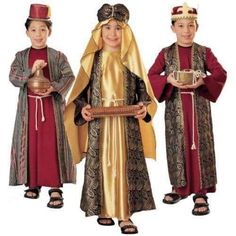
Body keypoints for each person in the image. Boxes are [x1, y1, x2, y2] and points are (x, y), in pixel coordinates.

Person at [64, 3, 157, 234]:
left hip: (126, 123)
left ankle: (125, 215)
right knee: (103, 164)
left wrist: (143, 108)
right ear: (99, 31)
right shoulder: (92, 60)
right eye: (108, 28)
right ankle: (104, 208)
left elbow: (144, 91)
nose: (113, 33)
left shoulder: (131, 59)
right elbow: (80, 92)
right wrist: (84, 108)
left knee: (124, 165)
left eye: (118, 28)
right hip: (99, 122)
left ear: (126, 31)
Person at [148, 2, 227, 216]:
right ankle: (179, 188)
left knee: (199, 146)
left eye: (191, 26)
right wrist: (169, 80)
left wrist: (202, 81)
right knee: (178, 145)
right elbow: (151, 76)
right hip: (175, 110)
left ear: (197, 28)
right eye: (181, 26)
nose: (186, 31)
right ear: (173, 28)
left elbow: (220, 73)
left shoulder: (204, 52)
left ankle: (201, 191)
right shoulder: (165, 53)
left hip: (199, 108)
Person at [9, 4, 76, 209]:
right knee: (31, 143)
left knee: (51, 144)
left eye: (43, 29)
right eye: (34, 30)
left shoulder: (57, 56)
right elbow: (13, 77)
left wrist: (54, 88)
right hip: (28, 108)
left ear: (50, 31)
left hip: (51, 108)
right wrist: (31, 70)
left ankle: (55, 186)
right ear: (27, 32)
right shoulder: (21, 56)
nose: (38, 34)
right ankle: (33, 183)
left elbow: (69, 75)